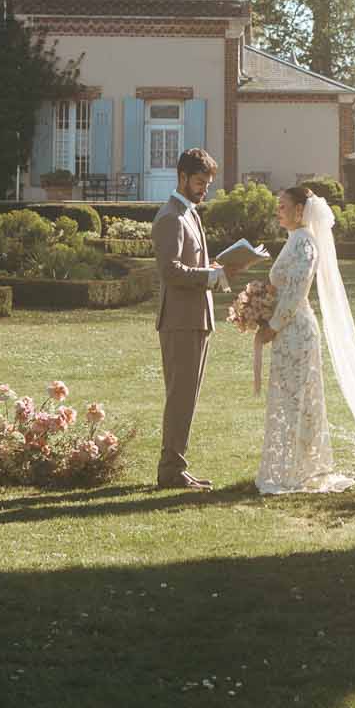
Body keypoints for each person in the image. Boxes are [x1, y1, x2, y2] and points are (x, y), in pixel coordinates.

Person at [254, 185, 355, 495]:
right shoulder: (294, 241)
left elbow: (297, 292)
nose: (278, 211)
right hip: (286, 331)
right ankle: (289, 467)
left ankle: (298, 470)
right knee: (289, 400)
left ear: (301, 210)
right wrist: (258, 305)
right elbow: (281, 287)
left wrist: (273, 325)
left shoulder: (306, 245)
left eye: (283, 206)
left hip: (296, 331)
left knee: (298, 401)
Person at [152, 146, 228, 491]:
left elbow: (190, 267)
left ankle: (176, 467)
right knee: (180, 397)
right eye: (200, 182)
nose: (204, 189)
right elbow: (171, 271)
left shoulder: (190, 214)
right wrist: (207, 277)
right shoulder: (170, 216)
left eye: (207, 183)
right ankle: (170, 471)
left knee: (187, 398)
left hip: (198, 318)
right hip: (180, 320)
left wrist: (212, 271)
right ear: (182, 177)